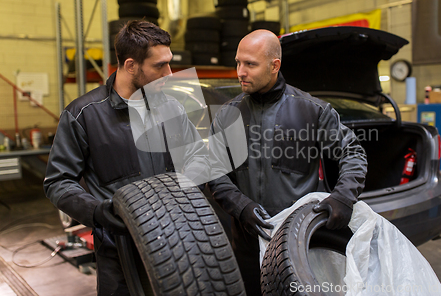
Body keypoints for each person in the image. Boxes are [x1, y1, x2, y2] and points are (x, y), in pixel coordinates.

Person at [43, 20, 209, 295]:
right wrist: (99, 213)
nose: (170, 74)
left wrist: (188, 195)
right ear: (130, 65)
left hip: (174, 245)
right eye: (160, 66)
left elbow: (197, 159)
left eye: (170, 63)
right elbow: (58, 182)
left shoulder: (172, 107)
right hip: (117, 250)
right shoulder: (83, 115)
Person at [208, 29, 368, 295]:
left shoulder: (312, 111)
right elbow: (214, 170)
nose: (240, 72)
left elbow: (352, 153)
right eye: (237, 62)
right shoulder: (228, 115)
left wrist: (343, 197)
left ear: (274, 66)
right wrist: (241, 205)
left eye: (250, 64)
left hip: (298, 243)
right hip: (247, 242)